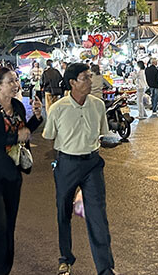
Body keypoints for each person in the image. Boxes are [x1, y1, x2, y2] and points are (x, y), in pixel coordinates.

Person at [43, 63, 117, 275]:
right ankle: (66, 258)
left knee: (98, 217)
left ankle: (105, 268)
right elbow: (50, 137)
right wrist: (60, 162)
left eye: (90, 77)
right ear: (73, 82)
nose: (90, 81)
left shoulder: (98, 105)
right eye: (85, 77)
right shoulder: (57, 108)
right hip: (67, 164)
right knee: (63, 212)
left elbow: (102, 134)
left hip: (92, 163)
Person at [0, 67, 43, 275]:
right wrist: (14, 138)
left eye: (16, 80)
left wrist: (37, 119)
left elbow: (24, 133)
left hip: (12, 173)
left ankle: (5, 269)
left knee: (9, 225)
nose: (16, 85)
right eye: (10, 81)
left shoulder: (18, 106)